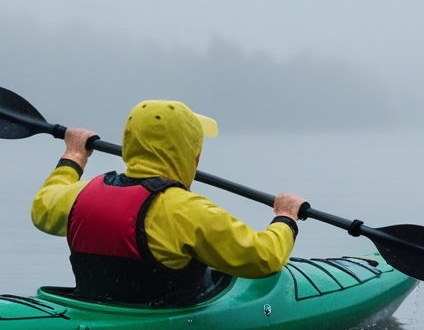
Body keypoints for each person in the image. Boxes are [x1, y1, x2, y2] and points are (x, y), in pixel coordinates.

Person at [31, 100, 305, 306]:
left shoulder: (84, 193)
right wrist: (285, 219)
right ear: (191, 155)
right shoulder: (185, 210)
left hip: (97, 309)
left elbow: (42, 208)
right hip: (164, 323)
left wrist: (74, 155)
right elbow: (264, 258)